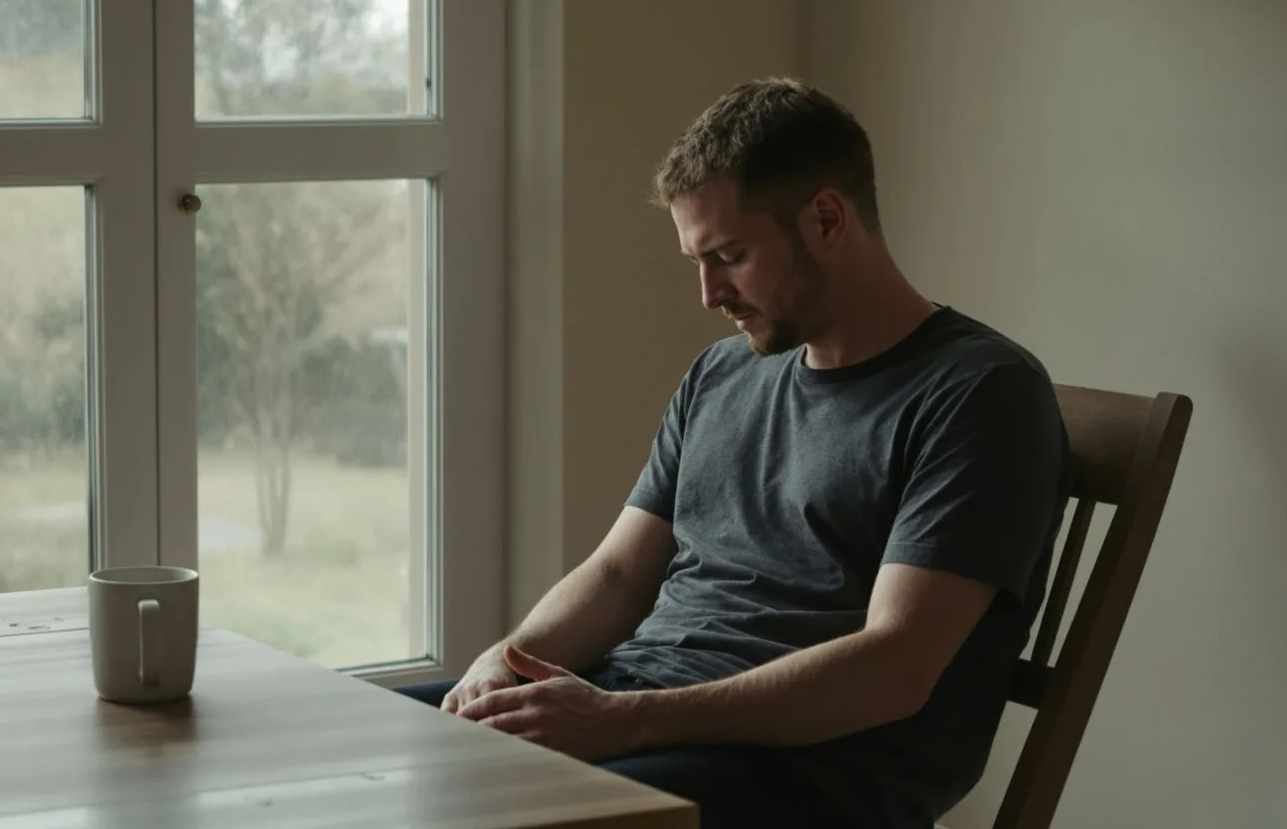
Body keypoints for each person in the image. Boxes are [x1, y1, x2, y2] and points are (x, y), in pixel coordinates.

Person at [396, 77, 1070, 828]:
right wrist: (507, 658)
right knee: (371, 737)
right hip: (643, 707)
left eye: (730, 255)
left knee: (478, 809)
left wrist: (622, 721)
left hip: (814, 770)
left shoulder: (980, 393)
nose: (709, 293)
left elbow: (894, 668)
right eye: (697, 260)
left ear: (825, 218)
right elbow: (619, 575)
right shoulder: (723, 373)